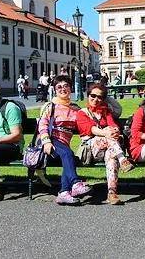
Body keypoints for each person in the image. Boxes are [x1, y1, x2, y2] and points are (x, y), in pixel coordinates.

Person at [76, 83, 134, 205]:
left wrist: (115, 130)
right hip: (91, 149)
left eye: (100, 97)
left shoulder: (105, 111)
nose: (96, 99)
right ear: (88, 95)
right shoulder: (82, 113)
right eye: (93, 95)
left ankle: (112, 193)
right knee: (108, 138)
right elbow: (91, 129)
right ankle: (123, 159)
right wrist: (106, 132)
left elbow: (113, 124)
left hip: (110, 148)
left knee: (111, 158)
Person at [38, 74, 91, 205]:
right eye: (59, 87)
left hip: (63, 145)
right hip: (49, 141)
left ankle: (63, 193)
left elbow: (85, 123)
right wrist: (46, 141)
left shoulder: (75, 109)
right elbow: (42, 124)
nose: (63, 89)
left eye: (66, 86)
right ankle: (75, 183)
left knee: (69, 156)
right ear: (55, 90)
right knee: (67, 154)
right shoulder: (50, 106)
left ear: (71, 88)